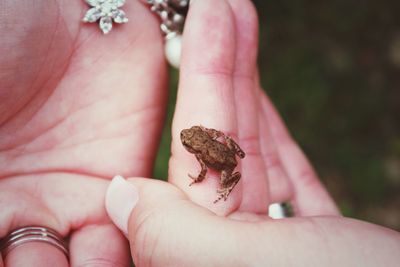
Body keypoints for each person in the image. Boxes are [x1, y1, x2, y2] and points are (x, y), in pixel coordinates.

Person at [0, 0, 399, 267]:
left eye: (190, 141)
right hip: (225, 149)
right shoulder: (205, 140)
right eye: (189, 140)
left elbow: (212, 166)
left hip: (227, 160)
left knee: (228, 172)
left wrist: (214, 181)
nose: (188, 142)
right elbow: (213, 144)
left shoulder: (207, 154)